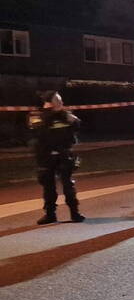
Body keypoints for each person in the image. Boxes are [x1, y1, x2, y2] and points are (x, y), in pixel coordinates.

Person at [29, 90, 84, 224]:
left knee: (66, 185)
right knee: (51, 186)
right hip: (50, 156)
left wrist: (59, 114)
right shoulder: (40, 116)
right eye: (59, 101)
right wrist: (54, 114)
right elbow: (37, 131)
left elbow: (77, 125)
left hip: (59, 156)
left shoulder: (65, 115)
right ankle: (55, 214)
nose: (62, 103)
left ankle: (72, 213)